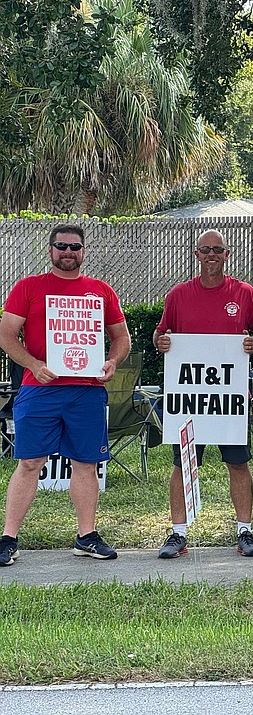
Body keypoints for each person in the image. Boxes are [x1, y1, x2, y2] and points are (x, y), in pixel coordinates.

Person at [0, 224, 131, 566]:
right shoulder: (28, 287)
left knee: (87, 464)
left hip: (87, 391)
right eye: (61, 246)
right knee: (29, 462)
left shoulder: (100, 290)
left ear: (83, 250)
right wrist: (34, 362)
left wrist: (112, 361)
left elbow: (121, 338)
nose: (68, 252)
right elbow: (6, 335)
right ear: (50, 249)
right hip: (39, 388)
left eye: (74, 246)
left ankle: (86, 537)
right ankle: (8, 538)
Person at [153, 229, 253, 559]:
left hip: (228, 400)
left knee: (238, 464)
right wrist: (160, 342)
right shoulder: (178, 295)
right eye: (205, 249)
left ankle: (244, 531)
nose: (212, 254)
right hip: (190, 400)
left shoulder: (244, 293)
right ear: (197, 254)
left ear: (227, 254)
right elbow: (160, 334)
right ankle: (178, 533)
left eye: (217, 250)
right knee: (183, 466)